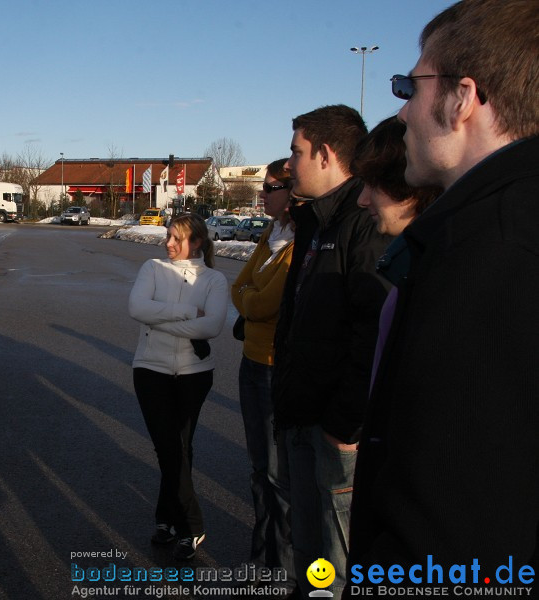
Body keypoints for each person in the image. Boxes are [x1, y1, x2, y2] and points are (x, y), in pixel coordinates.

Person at [346, 0, 539, 590]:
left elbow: (449, 523)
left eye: (410, 84)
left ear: (462, 99)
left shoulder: (492, 251)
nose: (401, 110)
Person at [271, 105, 392, 596]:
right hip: (302, 417)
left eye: (297, 152)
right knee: (308, 556)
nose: (289, 164)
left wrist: (344, 424)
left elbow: (372, 333)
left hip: (333, 432)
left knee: (334, 567)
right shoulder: (316, 221)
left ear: (324, 154)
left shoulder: (360, 221)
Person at [128, 213, 227, 561]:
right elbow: (136, 307)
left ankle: (165, 518)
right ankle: (192, 526)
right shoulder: (152, 268)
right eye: (168, 236)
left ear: (197, 242)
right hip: (150, 369)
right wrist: (187, 312)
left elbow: (212, 326)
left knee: (180, 446)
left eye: (177, 238)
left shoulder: (214, 279)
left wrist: (161, 320)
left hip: (194, 373)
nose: (168, 243)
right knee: (167, 446)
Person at [231, 159, 295, 586]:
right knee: (259, 469)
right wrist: (251, 298)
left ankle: (281, 570)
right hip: (251, 362)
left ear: (292, 192)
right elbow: (239, 286)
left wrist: (250, 299)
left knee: (277, 475)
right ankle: (263, 559)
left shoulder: (298, 240)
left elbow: (262, 302)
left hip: (274, 368)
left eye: (272, 187)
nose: (264, 194)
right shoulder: (272, 234)